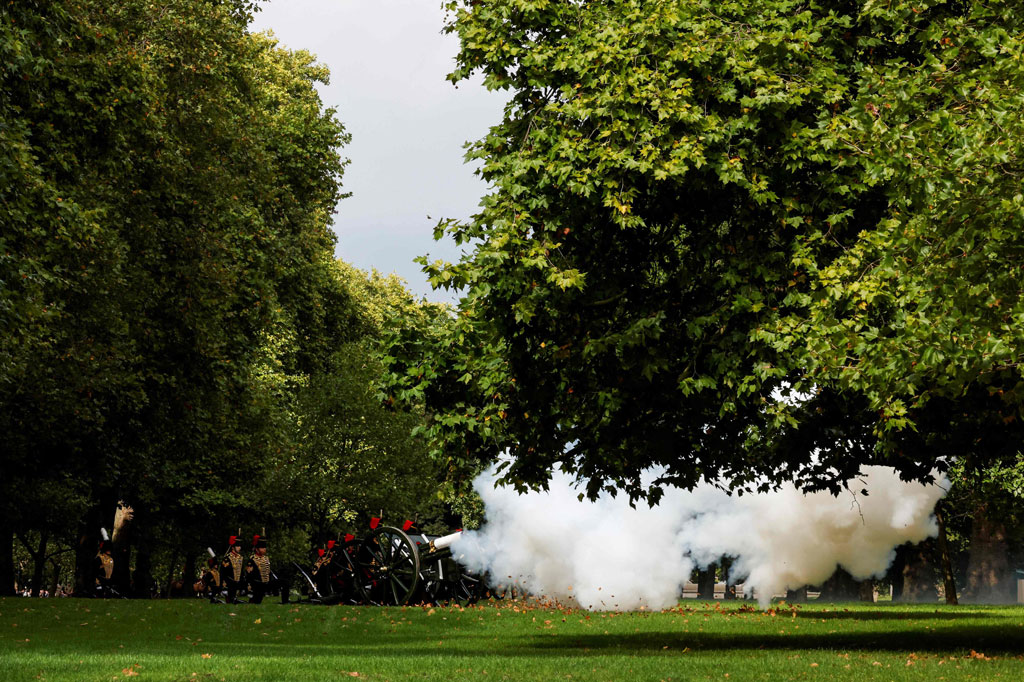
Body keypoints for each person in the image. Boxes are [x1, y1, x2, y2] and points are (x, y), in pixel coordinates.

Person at [246, 534, 273, 604]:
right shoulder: (252, 560)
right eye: (262, 547)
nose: (264, 549)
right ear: (257, 549)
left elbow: (269, 572)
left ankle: (285, 601)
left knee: (284, 582)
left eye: (265, 547)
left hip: (267, 583)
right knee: (257, 599)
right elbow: (250, 576)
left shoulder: (266, 558)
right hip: (258, 584)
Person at [220, 535, 244, 604]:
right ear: (233, 548)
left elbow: (241, 572)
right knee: (231, 600)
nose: (239, 548)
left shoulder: (240, 558)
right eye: (237, 546)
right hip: (229, 584)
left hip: (236, 583)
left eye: (240, 546)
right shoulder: (227, 558)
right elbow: (223, 573)